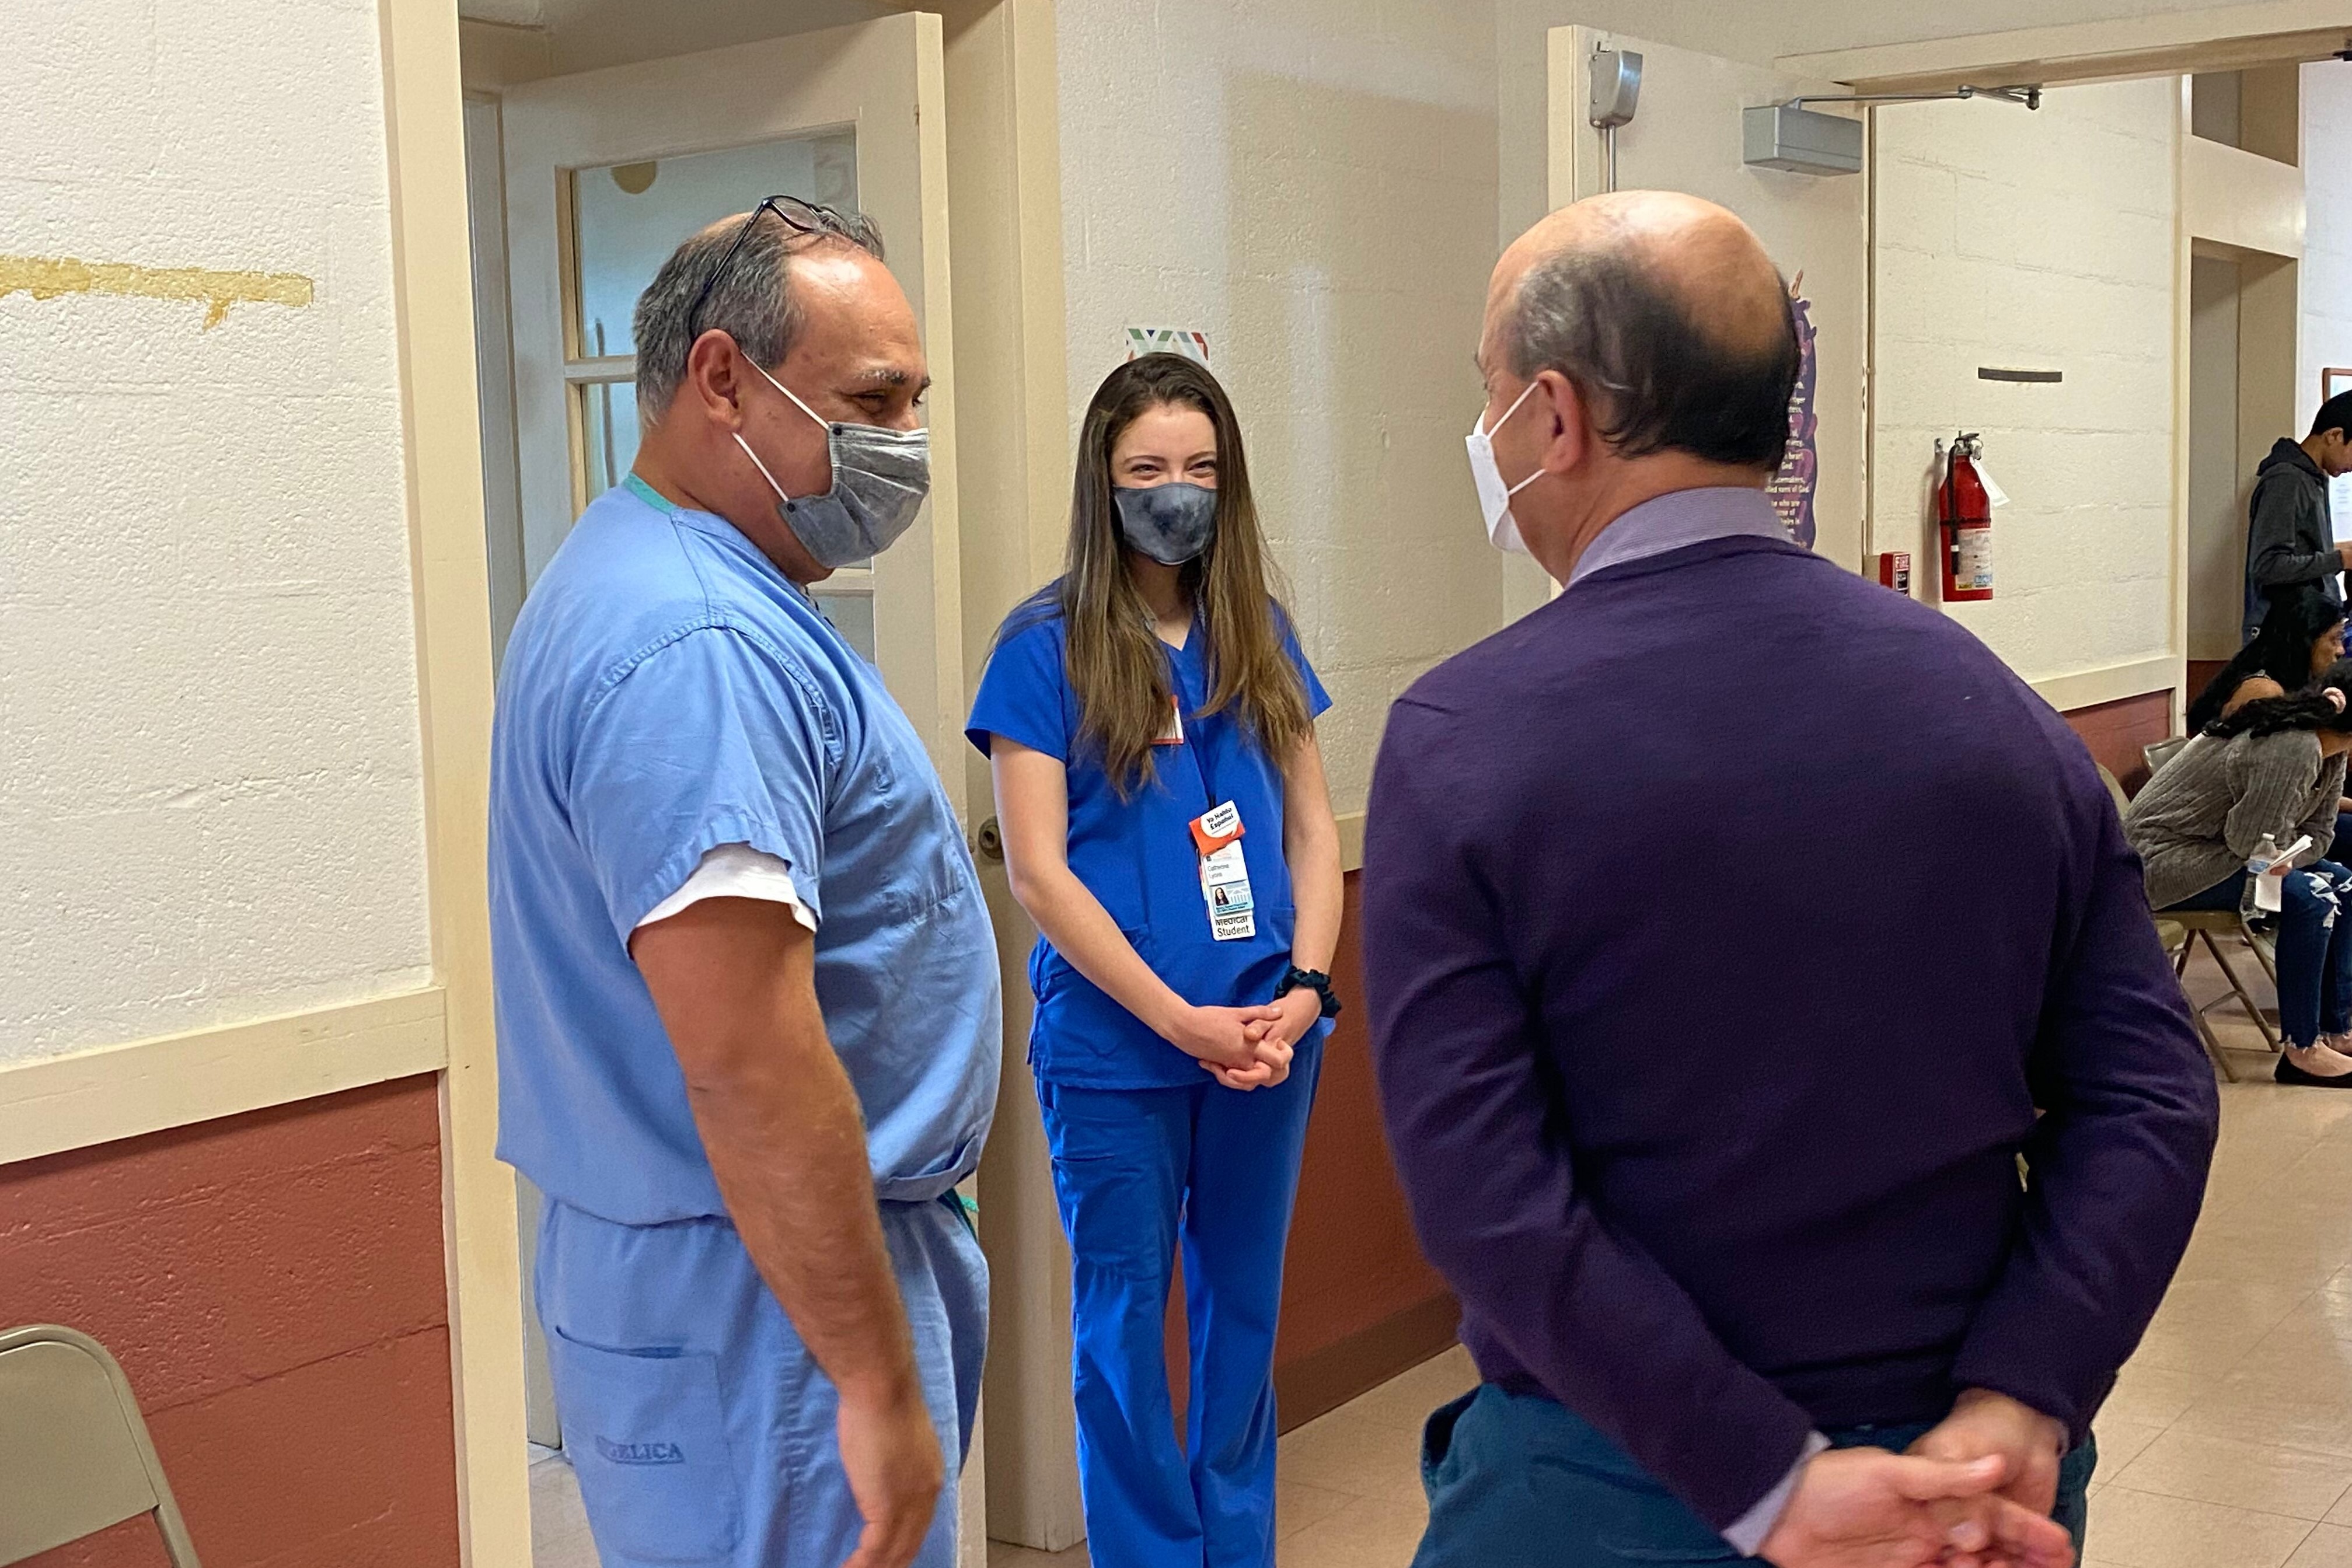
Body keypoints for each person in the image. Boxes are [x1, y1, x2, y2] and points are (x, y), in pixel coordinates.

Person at [1364, 190, 2218, 1568]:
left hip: (1618, 1482)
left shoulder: (1467, 739)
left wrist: (1764, 1481)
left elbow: (1485, 1190)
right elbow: (2148, 1088)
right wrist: (2024, 1387)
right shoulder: (1990, 713)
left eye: (1487, 397)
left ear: (1553, 418)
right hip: (1966, 1487)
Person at [488, 199, 999, 1568]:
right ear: (723, 378)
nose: (901, 440)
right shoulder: (698, 639)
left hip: (745, 1271)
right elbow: (748, 1063)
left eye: (914, 399)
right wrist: (875, 1380)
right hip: (757, 1297)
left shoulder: (662, 569)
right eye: (870, 398)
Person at [966, 352, 1343, 1568]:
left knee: (1242, 1316)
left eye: (1198, 468)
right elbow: (1035, 869)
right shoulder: (1042, 647)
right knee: (1123, 1328)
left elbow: (1309, 826)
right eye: (1146, 470)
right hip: (1118, 1051)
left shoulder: (1257, 633)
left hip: (1268, 1040)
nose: (1173, 491)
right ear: (1103, 482)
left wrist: (1306, 993)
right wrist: (1179, 1018)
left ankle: (1237, 1549)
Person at [2127, 665, 2352, 1086]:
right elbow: (2250, 843)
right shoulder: (2295, 746)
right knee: (2313, 895)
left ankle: (2335, 1031)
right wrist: (2285, 856)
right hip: (2162, 861)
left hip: (2220, 851)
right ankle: (2301, 1049)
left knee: (2343, 882)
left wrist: (2287, 856)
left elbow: (2319, 836)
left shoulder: (2333, 749)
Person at [2241, 390, 2352, 642]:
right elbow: (2268, 566)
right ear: (2335, 435)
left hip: (2307, 630)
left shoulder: (2314, 478)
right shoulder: (2287, 480)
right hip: (2281, 635)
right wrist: (2341, 559)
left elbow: (2301, 551)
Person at [2187, 586, 2346, 735]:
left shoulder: (2301, 684)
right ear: (2306, 641)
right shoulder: (2263, 691)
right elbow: (2253, 759)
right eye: (2334, 639)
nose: (2341, 651)